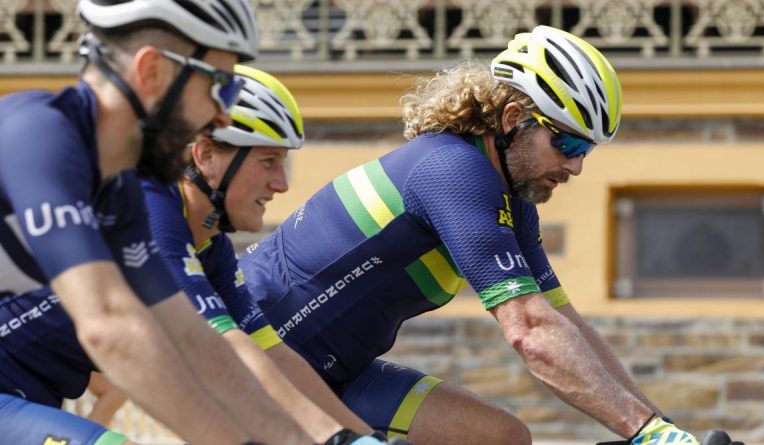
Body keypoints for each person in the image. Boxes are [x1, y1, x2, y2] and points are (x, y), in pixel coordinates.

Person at [239, 26, 737, 445]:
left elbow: (564, 322)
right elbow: (530, 333)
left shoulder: (513, 200)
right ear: (514, 119)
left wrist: (662, 429)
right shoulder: (452, 171)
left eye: (587, 149)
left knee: (501, 438)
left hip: (342, 374)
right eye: (566, 141)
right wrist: (645, 431)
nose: (577, 165)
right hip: (260, 364)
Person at [0, 1, 361, 444]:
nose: (223, 117)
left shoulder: (120, 192)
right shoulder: (39, 133)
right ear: (152, 71)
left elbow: (195, 342)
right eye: (221, 88)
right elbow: (108, 326)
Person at [137, 64, 403, 444]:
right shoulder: (150, 210)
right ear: (206, 155)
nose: (281, 184)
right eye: (267, 161)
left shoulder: (211, 248)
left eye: (283, 161)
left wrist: (366, 437)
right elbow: (226, 349)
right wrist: (336, 439)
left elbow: (274, 355)